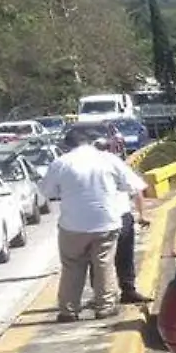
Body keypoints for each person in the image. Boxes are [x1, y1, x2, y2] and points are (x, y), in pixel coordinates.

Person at [40, 127, 147, 322]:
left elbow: (46, 192)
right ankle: (105, 307)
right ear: (90, 142)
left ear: (67, 145)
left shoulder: (61, 163)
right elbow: (133, 186)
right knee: (104, 263)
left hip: (72, 224)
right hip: (106, 221)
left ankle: (68, 310)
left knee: (72, 266)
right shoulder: (108, 159)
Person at [96, 133, 151, 304]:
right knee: (123, 256)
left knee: (98, 259)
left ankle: (101, 295)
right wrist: (142, 215)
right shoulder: (115, 162)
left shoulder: (82, 164)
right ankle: (127, 290)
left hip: (97, 219)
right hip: (120, 216)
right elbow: (137, 190)